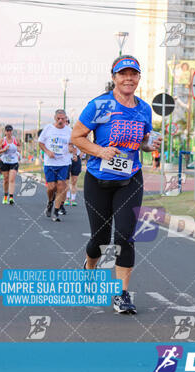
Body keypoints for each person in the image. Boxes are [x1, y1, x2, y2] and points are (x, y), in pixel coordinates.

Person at [71, 54, 161, 314]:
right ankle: (89, 267)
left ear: (139, 78)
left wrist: (148, 144)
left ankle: (121, 294)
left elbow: (142, 142)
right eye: (123, 74)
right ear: (114, 78)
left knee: (125, 236)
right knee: (99, 238)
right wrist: (99, 151)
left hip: (130, 178)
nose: (128, 78)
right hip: (99, 180)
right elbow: (77, 136)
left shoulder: (144, 108)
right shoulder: (98, 105)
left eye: (133, 74)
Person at [39, 110, 72, 221]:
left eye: (63, 118)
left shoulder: (69, 131)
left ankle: (56, 212)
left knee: (61, 186)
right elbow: (40, 142)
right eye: (58, 118)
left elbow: (73, 144)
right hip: (50, 163)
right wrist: (47, 152)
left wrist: (73, 150)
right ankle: (50, 202)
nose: (61, 121)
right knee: (51, 187)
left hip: (63, 163)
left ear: (66, 118)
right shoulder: (48, 128)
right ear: (55, 118)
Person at [0, 125, 21, 205]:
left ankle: (11, 197)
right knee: (6, 179)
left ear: (12, 131)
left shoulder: (15, 140)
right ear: (5, 132)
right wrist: (4, 149)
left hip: (14, 161)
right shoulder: (2, 141)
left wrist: (19, 151)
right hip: (4, 161)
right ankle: (5, 196)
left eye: (10, 131)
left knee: (12, 179)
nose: (9, 133)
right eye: (7, 131)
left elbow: (20, 146)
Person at [65, 142, 81, 206]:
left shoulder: (80, 133)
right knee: (66, 180)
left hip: (77, 159)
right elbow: (69, 145)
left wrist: (78, 155)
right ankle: (67, 198)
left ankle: (73, 199)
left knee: (74, 180)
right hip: (67, 158)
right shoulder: (67, 134)